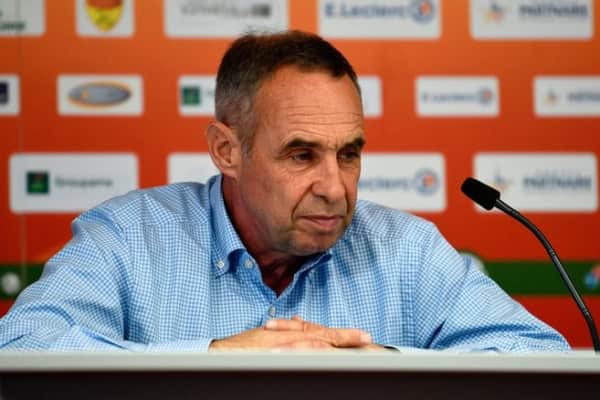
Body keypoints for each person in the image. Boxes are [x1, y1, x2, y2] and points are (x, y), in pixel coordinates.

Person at [0, 30, 569, 352]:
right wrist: (213, 358)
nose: (335, 188)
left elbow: (541, 356)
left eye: (349, 154)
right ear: (226, 150)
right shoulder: (129, 236)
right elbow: (21, 345)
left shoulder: (408, 249)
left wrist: (388, 367)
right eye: (301, 155)